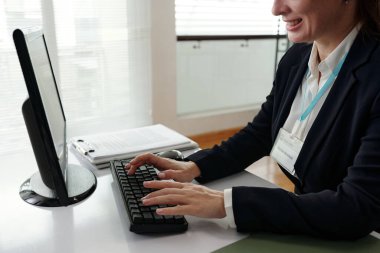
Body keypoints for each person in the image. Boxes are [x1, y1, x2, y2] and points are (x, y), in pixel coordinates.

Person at [126, 0, 380, 240]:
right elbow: (260, 133)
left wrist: (225, 203)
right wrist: (195, 167)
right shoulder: (296, 58)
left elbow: (357, 207)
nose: (276, 9)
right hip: (314, 221)